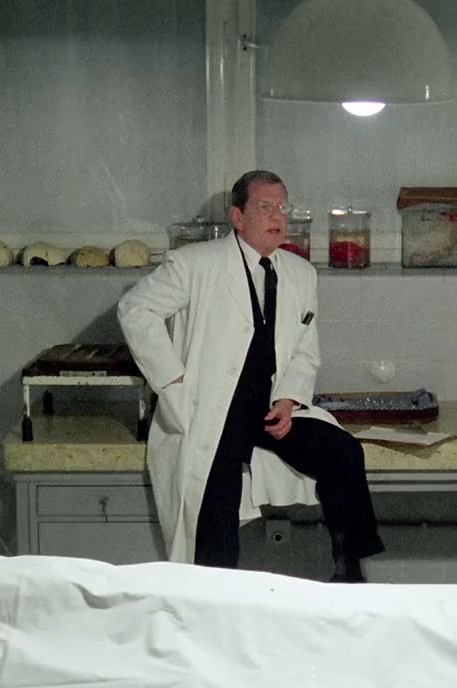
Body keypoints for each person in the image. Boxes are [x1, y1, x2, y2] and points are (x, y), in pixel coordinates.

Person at [118, 170, 384, 582]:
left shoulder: (300, 273)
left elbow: (304, 349)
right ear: (238, 217)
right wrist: (172, 380)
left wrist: (288, 399)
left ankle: (348, 572)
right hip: (213, 415)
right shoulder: (195, 264)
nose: (278, 216)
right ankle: (213, 599)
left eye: (282, 207)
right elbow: (135, 310)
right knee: (215, 518)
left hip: (268, 410)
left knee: (343, 453)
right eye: (264, 207)